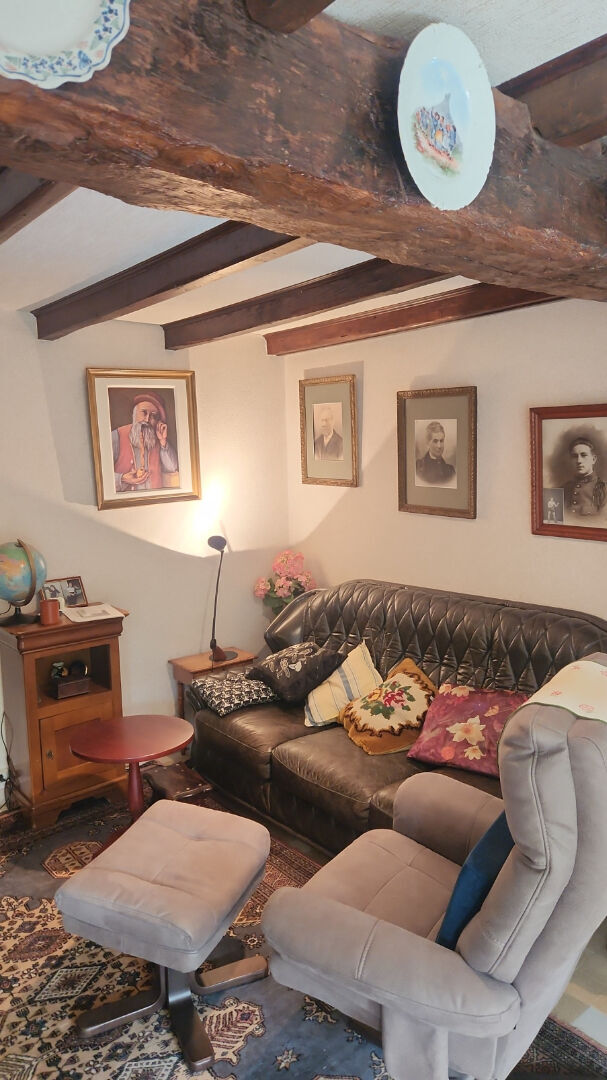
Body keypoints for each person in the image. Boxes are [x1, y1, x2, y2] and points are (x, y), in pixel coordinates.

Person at [112, 392, 179, 492]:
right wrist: (122, 478)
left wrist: (163, 441)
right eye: (144, 413)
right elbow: (102, 475)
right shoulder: (117, 435)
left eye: (153, 416)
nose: (147, 419)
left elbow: (172, 468)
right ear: (134, 414)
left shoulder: (158, 438)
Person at [563, 436, 606, 517]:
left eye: (584, 455)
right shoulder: (564, 489)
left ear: (593, 459)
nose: (579, 461)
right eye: (575, 456)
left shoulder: (604, 489)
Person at [415, 421, 455, 485]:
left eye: (441, 441)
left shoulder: (450, 470)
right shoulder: (418, 467)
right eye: (435, 441)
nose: (439, 446)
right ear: (428, 442)